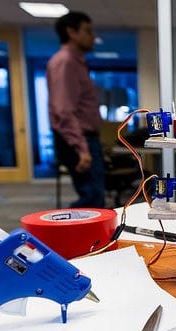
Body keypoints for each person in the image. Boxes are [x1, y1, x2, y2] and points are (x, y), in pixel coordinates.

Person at [47, 11, 105, 207]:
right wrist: (81, 148)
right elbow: (63, 110)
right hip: (79, 139)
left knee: (95, 196)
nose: (93, 37)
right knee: (91, 199)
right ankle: (70, 227)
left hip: (85, 138)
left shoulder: (76, 62)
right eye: (87, 31)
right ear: (71, 32)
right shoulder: (65, 62)